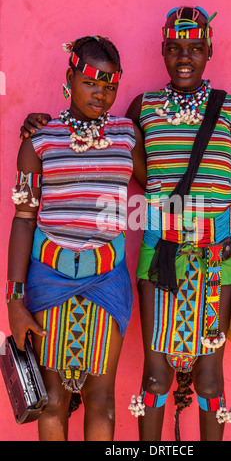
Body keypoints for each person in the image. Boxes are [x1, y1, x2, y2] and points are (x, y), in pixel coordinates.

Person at [20, 6, 231, 442]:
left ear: (210, 49)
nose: (184, 57)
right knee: (153, 379)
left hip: (218, 256)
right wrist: (39, 129)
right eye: (174, 48)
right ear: (161, 51)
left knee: (210, 382)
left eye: (195, 47)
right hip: (159, 252)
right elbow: (136, 172)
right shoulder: (142, 109)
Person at [7, 35, 145, 441]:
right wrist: (15, 301)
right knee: (51, 401)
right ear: (70, 77)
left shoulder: (127, 135)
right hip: (49, 278)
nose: (100, 93)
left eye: (110, 85)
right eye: (90, 82)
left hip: (107, 279)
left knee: (101, 400)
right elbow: (23, 218)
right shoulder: (39, 139)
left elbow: (158, 182)